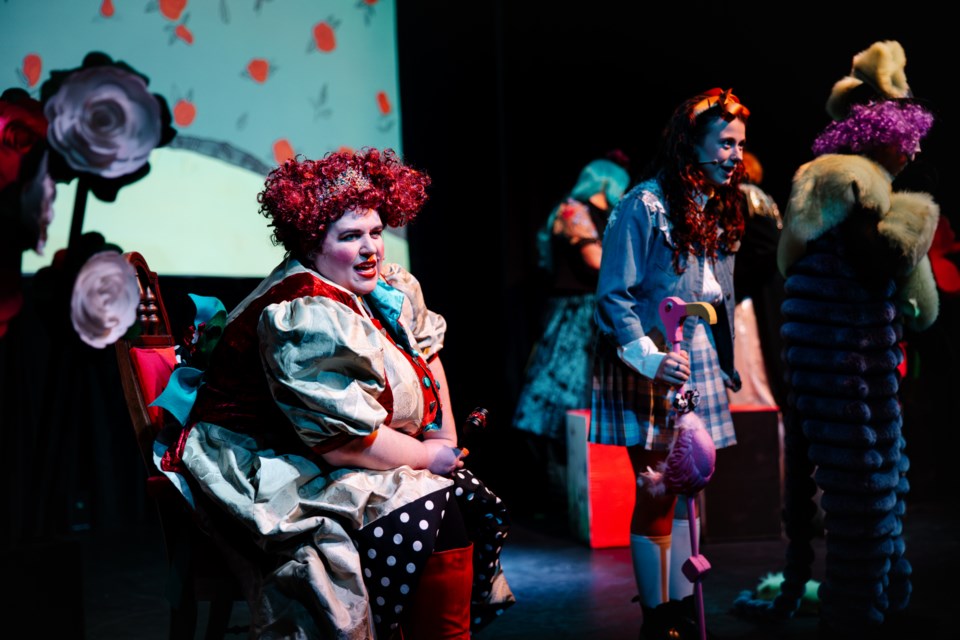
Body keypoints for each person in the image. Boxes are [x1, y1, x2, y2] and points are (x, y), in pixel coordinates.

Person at [155, 148, 515, 639]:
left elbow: (426, 351)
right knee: (424, 507)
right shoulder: (303, 310)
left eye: (374, 232)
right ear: (311, 242)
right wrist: (425, 457)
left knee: (456, 497)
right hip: (267, 461)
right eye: (350, 237)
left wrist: (442, 437)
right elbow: (341, 441)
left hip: (323, 447)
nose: (370, 249)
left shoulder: (382, 286)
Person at [733, 40, 939, 638]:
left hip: (829, 362)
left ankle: (876, 600)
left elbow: (794, 264)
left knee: (870, 491)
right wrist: (917, 219)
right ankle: (857, 613)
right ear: (886, 135)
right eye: (910, 138)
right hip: (846, 364)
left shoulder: (819, 177)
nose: (917, 148)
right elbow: (909, 291)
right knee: (865, 499)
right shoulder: (859, 182)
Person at [590, 88, 749, 639]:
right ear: (691, 144)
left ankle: (681, 606)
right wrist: (649, 359)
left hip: (695, 352)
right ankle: (657, 617)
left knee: (689, 485)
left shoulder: (719, 208)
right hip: (652, 354)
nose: (735, 155)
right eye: (725, 144)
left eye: (739, 145)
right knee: (656, 486)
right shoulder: (643, 205)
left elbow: (719, 294)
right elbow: (613, 295)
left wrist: (724, 361)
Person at [511, 152, 630, 510]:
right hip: (574, 315)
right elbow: (596, 261)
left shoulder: (604, 216)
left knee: (585, 406)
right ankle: (558, 496)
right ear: (607, 181)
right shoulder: (572, 210)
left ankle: (584, 495)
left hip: (595, 312)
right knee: (557, 406)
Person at [730, 150, 786, 409]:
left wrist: (734, 283)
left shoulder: (741, 196)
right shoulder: (761, 197)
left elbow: (765, 249)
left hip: (752, 293)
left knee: (752, 359)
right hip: (769, 286)